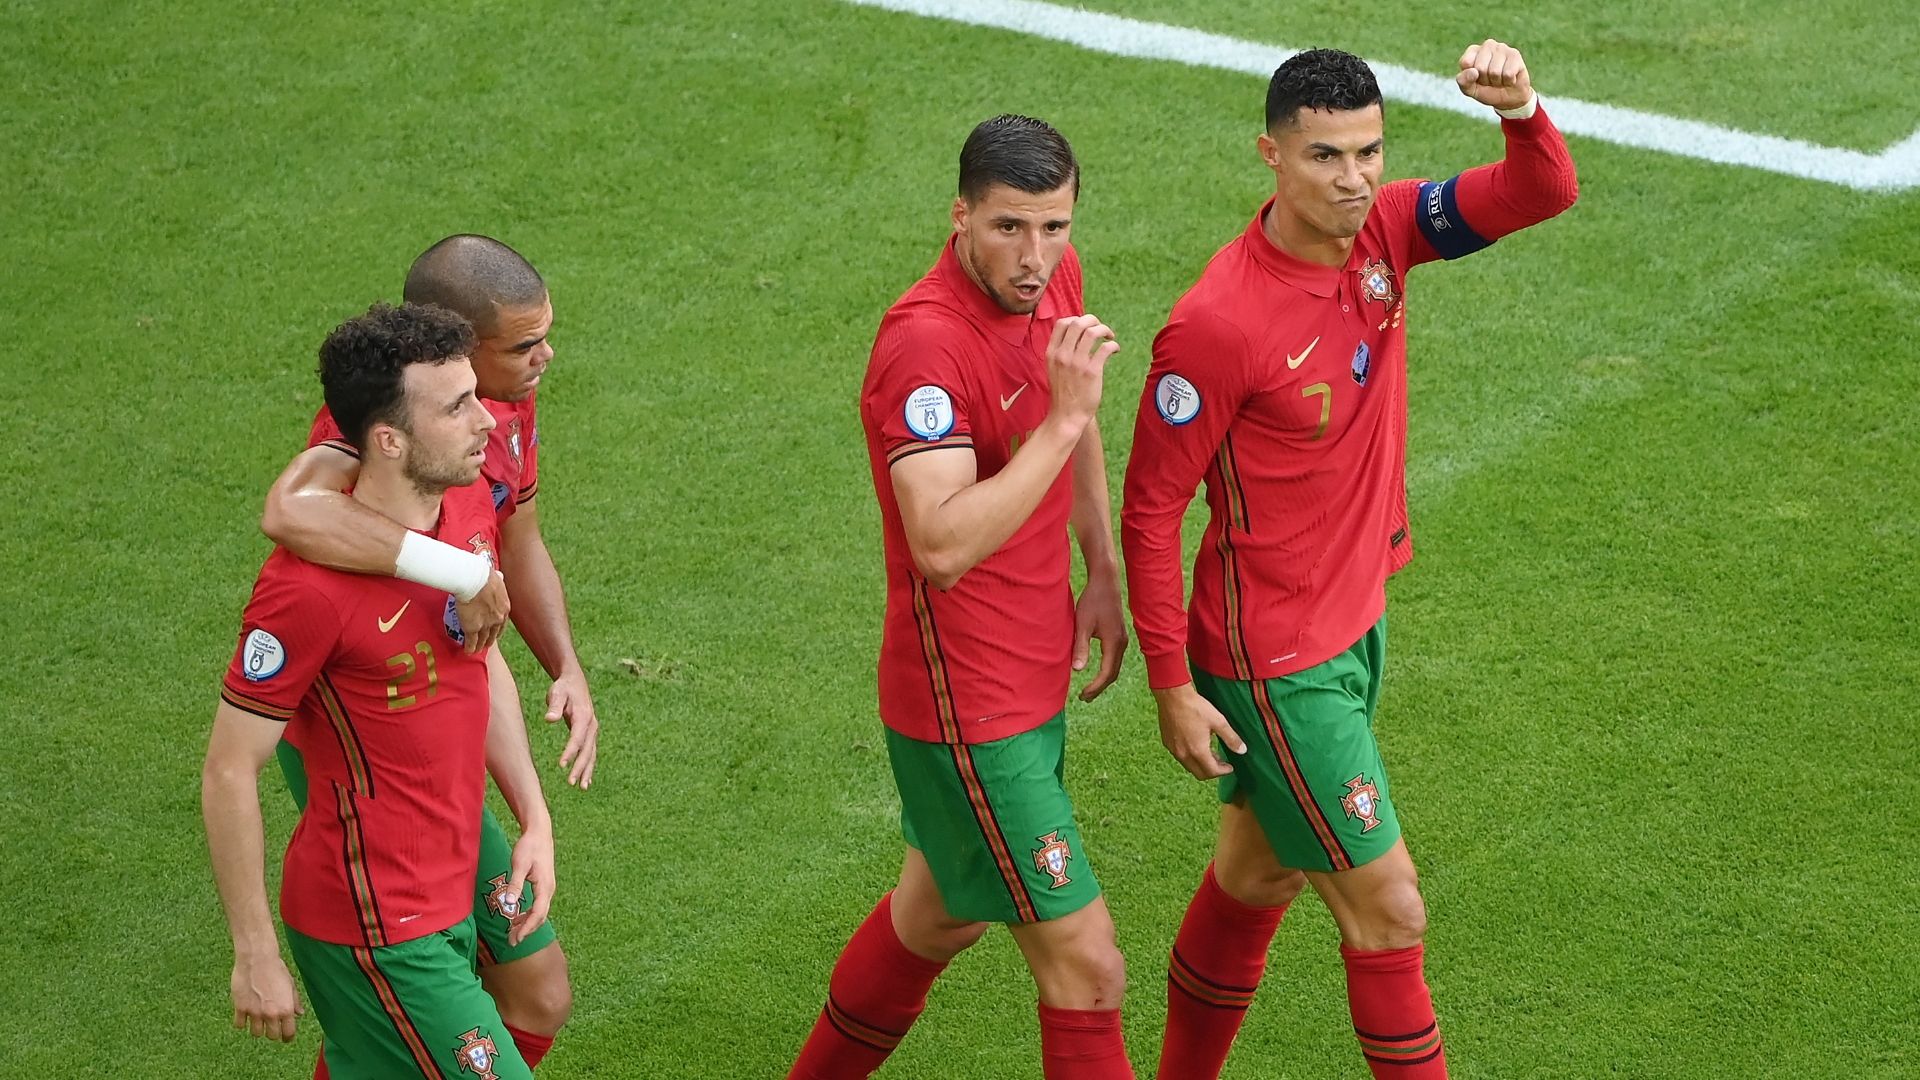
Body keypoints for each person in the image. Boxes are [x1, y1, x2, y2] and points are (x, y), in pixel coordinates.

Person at [1120, 43, 1579, 1079]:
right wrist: (1171, 687)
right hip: (1276, 662)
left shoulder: (1386, 231)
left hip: (1352, 624)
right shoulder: (1216, 326)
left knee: (1260, 873)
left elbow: (1543, 190)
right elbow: (1151, 511)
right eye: (1325, 156)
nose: (1354, 178)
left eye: (1369, 152)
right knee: (1390, 909)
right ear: (1272, 156)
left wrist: (1519, 109)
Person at [787, 115, 1135, 1080]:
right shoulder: (924, 351)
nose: (1035, 258)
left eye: (1055, 228)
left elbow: (1076, 407)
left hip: (1032, 669)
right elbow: (939, 544)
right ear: (961, 216)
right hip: (968, 707)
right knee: (1088, 969)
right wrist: (1061, 425)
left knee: (936, 915)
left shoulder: (1051, 278)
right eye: (1009, 228)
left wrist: (1101, 567)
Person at [260, 235, 589, 1068]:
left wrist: (566, 665)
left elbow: (519, 540)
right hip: (374, 739)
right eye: (523, 344)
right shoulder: (379, 432)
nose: (546, 357)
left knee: (538, 991)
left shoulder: (499, 406)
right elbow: (291, 512)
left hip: (446, 725)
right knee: (407, 981)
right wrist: (458, 572)